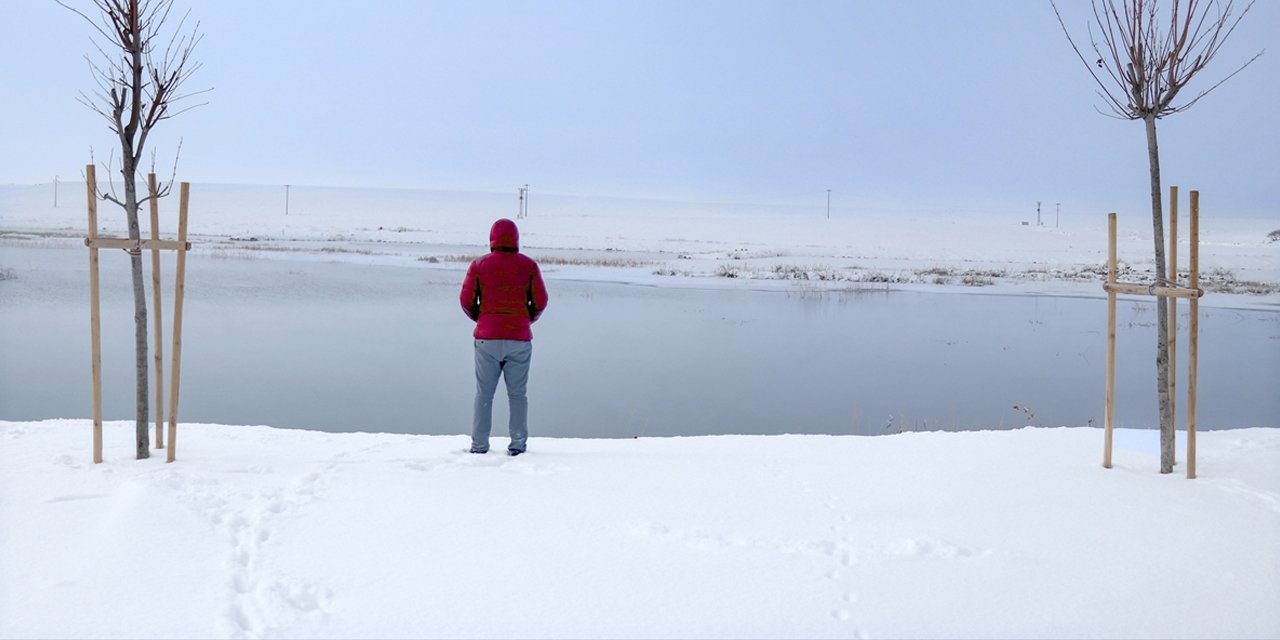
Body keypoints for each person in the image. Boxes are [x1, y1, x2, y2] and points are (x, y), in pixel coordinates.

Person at [459, 218, 549, 456]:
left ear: (492, 239)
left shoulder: (479, 265)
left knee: (484, 394)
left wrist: (482, 319)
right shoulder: (528, 266)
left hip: (486, 340)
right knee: (518, 395)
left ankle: (479, 446)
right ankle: (517, 445)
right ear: (516, 239)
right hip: (519, 340)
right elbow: (541, 301)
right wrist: (526, 320)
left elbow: (466, 301)